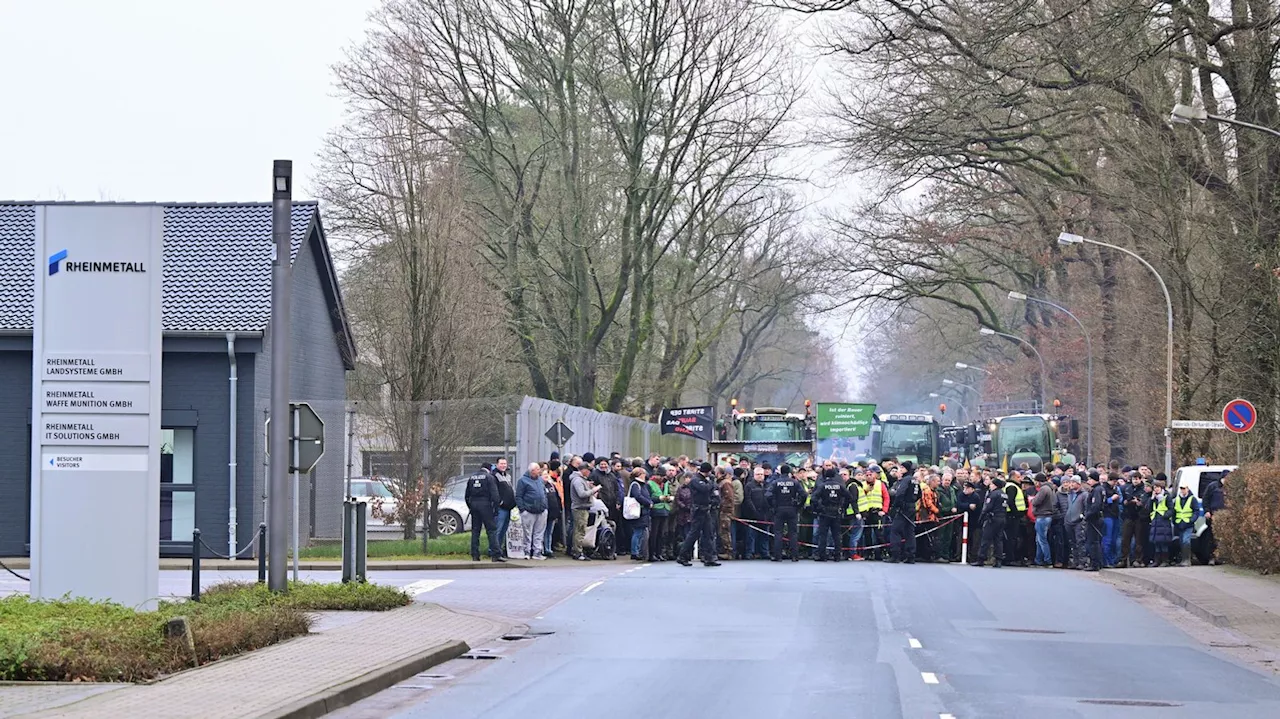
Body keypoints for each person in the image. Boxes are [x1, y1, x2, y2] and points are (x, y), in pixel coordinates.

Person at [678, 464, 722, 567]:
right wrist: (711, 483)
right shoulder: (696, 480)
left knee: (709, 533)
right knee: (693, 534)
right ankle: (682, 555)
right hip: (698, 510)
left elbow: (711, 492)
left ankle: (709, 557)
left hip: (705, 509)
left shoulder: (704, 480)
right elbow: (705, 489)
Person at [812, 467, 853, 562]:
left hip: (825, 512)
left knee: (823, 535)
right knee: (837, 535)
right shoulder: (839, 486)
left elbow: (813, 498)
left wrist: (819, 508)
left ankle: (822, 555)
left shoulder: (822, 486)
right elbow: (849, 497)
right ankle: (837, 556)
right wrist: (843, 507)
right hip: (836, 512)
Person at [464, 467, 504, 563]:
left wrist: (471, 506)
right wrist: (496, 508)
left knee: (475, 531)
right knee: (491, 530)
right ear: (489, 469)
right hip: (486, 505)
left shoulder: (472, 477)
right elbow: (495, 494)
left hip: (474, 505)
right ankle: (496, 554)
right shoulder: (489, 477)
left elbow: (466, 495)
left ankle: (475, 555)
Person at [768, 464, 805, 561]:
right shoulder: (795, 482)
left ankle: (778, 556)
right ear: (789, 472)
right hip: (792, 508)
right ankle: (794, 556)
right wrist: (799, 505)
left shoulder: (776, 482)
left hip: (779, 508)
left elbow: (768, 495)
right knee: (793, 533)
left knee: (778, 532)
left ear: (780, 472)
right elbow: (804, 494)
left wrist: (772, 506)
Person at [515, 462, 549, 560]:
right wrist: (522, 509)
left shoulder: (540, 480)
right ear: (532, 471)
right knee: (527, 532)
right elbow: (519, 496)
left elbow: (544, 493)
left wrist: (545, 506)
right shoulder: (522, 481)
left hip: (541, 510)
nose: (540, 471)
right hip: (528, 511)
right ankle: (527, 551)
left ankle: (537, 552)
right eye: (538, 469)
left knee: (539, 532)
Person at [887, 468, 922, 563]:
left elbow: (900, 493)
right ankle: (910, 556)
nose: (899, 470)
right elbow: (919, 494)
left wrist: (896, 506)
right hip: (912, 507)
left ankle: (895, 555)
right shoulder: (915, 480)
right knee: (909, 531)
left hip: (903, 508)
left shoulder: (905, 480)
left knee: (895, 530)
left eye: (901, 468)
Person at [972, 477, 1007, 568]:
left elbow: (987, 507)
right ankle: (998, 560)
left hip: (992, 518)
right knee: (998, 540)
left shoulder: (993, 494)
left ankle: (981, 559)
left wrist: (981, 518)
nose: (990, 486)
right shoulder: (1004, 494)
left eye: (991, 484)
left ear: (995, 485)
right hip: (1002, 518)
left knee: (985, 539)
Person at [569, 462, 600, 561]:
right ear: (584, 470)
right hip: (580, 508)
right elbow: (581, 494)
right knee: (580, 531)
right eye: (588, 471)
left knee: (580, 530)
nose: (589, 473)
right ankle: (578, 552)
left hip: (583, 508)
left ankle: (578, 550)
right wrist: (594, 490)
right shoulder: (578, 480)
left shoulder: (582, 480)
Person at [742, 467, 772, 559]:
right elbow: (748, 500)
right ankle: (750, 552)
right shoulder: (749, 486)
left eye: (761, 474)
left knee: (765, 535)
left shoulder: (768, 485)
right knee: (751, 536)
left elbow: (771, 499)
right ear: (754, 475)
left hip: (765, 514)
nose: (760, 476)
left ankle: (765, 552)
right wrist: (754, 511)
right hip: (752, 515)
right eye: (758, 474)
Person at [647, 466, 675, 561]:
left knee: (661, 534)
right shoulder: (650, 484)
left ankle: (659, 553)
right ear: (656, 475)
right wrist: (659, 499)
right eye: (661, 476)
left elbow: (668, 493)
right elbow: (649, 498)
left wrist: (669, 498)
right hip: (655, 510)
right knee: (654, 534)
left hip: (664, 510)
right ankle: (651, 554)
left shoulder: (665, 483)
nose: (663, 478)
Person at [1172, 483, 1203, 567]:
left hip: (1188, 524)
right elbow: (1174, 511)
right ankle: (1183, 560)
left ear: (1188, 489)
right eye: (1181, 489)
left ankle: (1187, 560)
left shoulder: (1192, 499)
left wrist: (1191, 520)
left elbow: (1196, 511)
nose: (1183, 490)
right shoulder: (1177, 499)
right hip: (1179, 524)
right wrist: (1175, 521)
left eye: (1184, 488)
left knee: (1186, 540)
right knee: (1182, 541)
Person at [627, 468, 654, 561]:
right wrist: (648, 503)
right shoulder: (636, 484)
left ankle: (637, 551)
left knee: (641, 531)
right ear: (640, 474)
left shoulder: (642, 484)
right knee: (638, 532)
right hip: (639, 511)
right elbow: (638, 496)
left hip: (643, 511)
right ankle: (634, 552)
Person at [1030, 473, 1055, 567]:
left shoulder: (1044, 489)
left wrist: (1032, 500)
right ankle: (1038, 559)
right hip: (1046, 516)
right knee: (1039, 539)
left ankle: (1047, 560)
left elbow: (1036, 501)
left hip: (1042, 516)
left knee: (1042, 540)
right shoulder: (1050, 488)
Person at [1148, 482, 1175, 567]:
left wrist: (1165, 515)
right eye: (1154, 488)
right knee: (1156, 542)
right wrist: (1152, 499)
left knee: (1163, 542)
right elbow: (1148, 508)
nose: (1156, 489)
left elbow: (1171, 509)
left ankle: (1165, 560)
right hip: (1155, 522)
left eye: (1157, 487)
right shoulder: (1154, 498)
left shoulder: (1166, 497)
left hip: (1164, 522)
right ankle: (1157, 560)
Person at [1201, 471, 1226, 565]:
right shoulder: (1212, 486)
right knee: (1211, 538)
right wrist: (1207, 511)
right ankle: (1211, 557)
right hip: (1213, 515)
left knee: (1223, 539)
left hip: (1225, 517)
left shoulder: (1231, 487)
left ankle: (1221, 558)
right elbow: (1205, 499)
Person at [1083, 472, 1105, 571]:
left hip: (1094, 519)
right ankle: (1097, 562)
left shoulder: (1097, 490)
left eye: (1090, 479)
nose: (1088, 481)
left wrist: (1087, 515)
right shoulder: (1099, 489)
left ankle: (1095, 563)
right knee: (1095, 541)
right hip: (1097, 517)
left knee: (1093, 542)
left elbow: (1095, 505)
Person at [717, 470, 737, 560]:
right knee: (723, 531)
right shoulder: (723, 483)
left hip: (725, 511)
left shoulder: (726, 483)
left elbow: (729, 498)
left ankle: (728, 551)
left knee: (725, 531)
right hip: (724, 510)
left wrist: (723, 508)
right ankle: (725, 550)